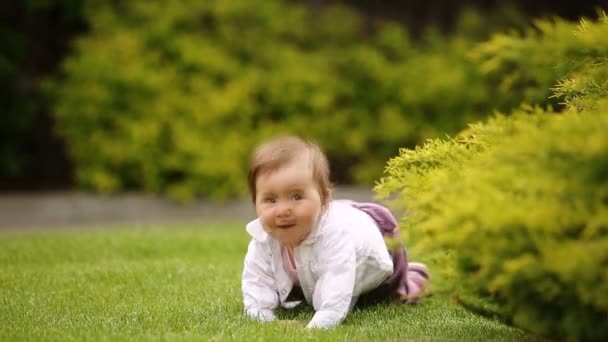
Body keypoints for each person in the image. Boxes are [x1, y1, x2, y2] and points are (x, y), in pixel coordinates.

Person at [241, 136, 429, 329]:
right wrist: (265, 318)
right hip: (321, 256)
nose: (282, 210)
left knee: (387, 295)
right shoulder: (263, 239)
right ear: (255, 203)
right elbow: (256, 285)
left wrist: (313, 329)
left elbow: (335, 301)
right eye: (270, 200)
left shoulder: (335, 236)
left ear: (323, 198)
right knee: (312, 291)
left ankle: (414, 275)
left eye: (296, 196)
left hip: (377, 250)